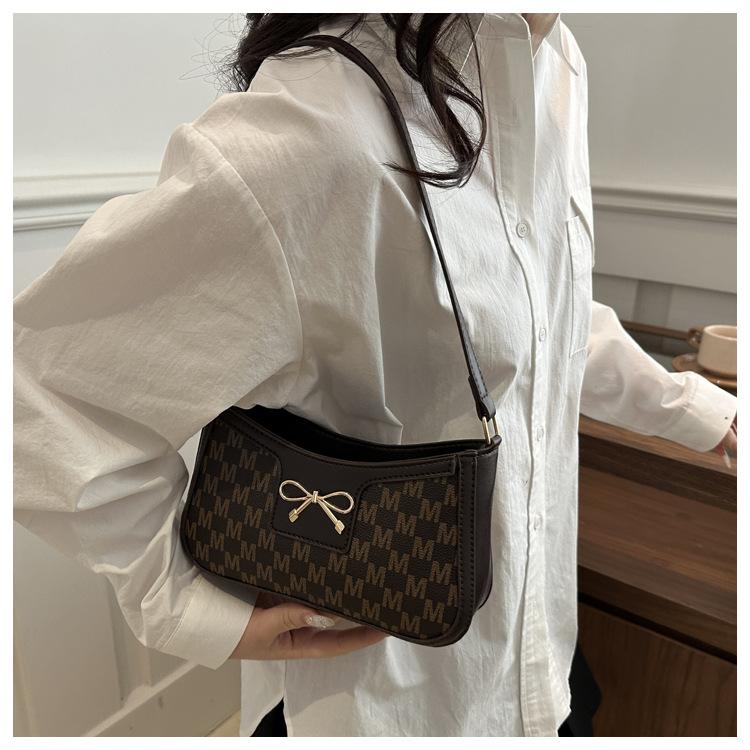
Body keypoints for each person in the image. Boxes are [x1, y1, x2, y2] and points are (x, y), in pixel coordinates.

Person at [13, 13, 737, 738]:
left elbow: (547, 311)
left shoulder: (556, 66)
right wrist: (189, 609)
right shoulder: (316, 134)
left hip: (536, 656)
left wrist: (698, 411)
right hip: (385, 699)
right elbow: (44, 390)